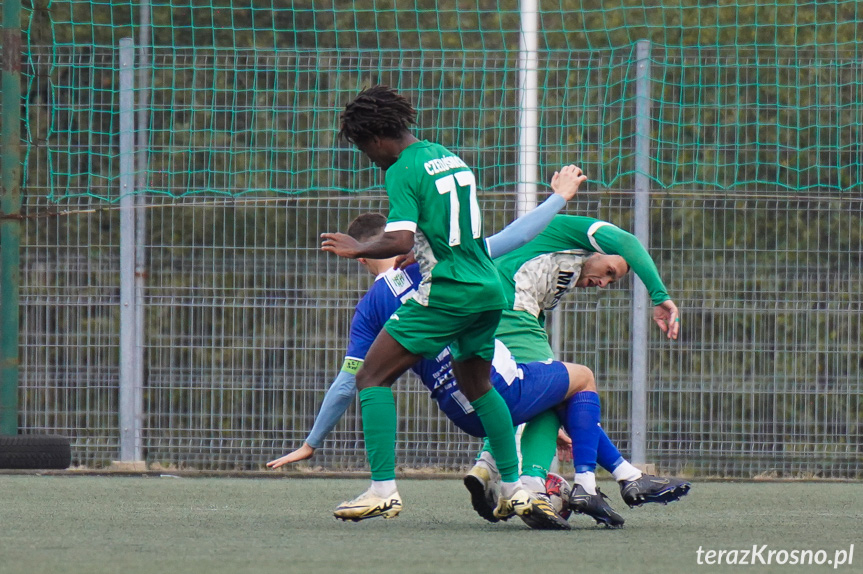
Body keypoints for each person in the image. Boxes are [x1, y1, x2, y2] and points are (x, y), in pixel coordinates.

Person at [317, 85, 587, 526]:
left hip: (448, 293)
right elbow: (453, 231)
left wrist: (358, 245)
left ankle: (383, 489)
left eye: (365, 147)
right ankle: (516, 488)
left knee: (371, 377)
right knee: (479, 387)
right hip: (487, 289)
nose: (369, 158)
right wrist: (424, 247)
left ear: (377, 136)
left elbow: (399, 237)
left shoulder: (401, 169)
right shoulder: (446, 157)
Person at [271, 213, 612, 530]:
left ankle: (399, 485)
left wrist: (311, 443)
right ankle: (571, 484)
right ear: (398, 239)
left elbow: (348, 384)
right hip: (497, 388)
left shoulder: (369, 309)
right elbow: (517, 235)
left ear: (363, 259)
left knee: (377, 382)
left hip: (461, 413)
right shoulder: (439, 263)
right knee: (579, 377)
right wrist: (559, 197)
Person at [464, 212, 690, 526]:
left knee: (544, 398)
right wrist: (660, 295)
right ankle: (541, 486)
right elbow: (627, 241)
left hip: (495, 313)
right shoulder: (565, 231)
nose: (604, 282)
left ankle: (488, 466)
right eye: (609, 271)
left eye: (612, 281)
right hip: (508, 310)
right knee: (569, 384)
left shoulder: (561, 272)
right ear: (597, 249)